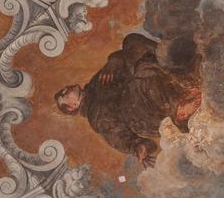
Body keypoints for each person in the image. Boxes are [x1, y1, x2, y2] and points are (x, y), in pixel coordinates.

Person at [53, 32, 203, 168]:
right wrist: (137, 147)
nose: (65, 88)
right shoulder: (96, 114)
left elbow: (124, 59)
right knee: (140, 83)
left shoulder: (95, 82)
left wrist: (113, 62)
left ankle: (180, 65)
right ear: (73, 106)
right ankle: (180, 107)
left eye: (63, 90)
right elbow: (118, 136)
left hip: (143, 76)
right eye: (64, 95)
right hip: (142, 112)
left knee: (131, 42)